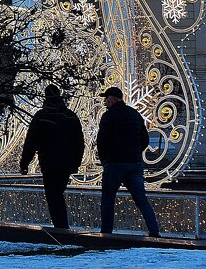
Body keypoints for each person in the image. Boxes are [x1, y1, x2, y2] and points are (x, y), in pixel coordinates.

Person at [95, 86, 160, 237]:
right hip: (134, 163)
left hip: (115, 163)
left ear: (114, 99)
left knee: (108, 199)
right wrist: (136, 152)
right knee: (141, 200)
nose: (105, 101)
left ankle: (106, 233)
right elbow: (145, 139)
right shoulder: (135, 114)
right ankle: (154, 231)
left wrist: (105, 159)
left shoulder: (109, 116)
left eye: (107, 98)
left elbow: (102, 141)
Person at [19, 84, 85, 229]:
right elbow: (79, 142)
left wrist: (24, 163)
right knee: (57, 193)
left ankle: (61, 228)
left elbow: (31, 142)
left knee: (53, 195)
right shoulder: (70, 116)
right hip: (66, 164)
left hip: (49, 163)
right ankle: (61, 226)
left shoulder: (42, 116)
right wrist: (76, 163)